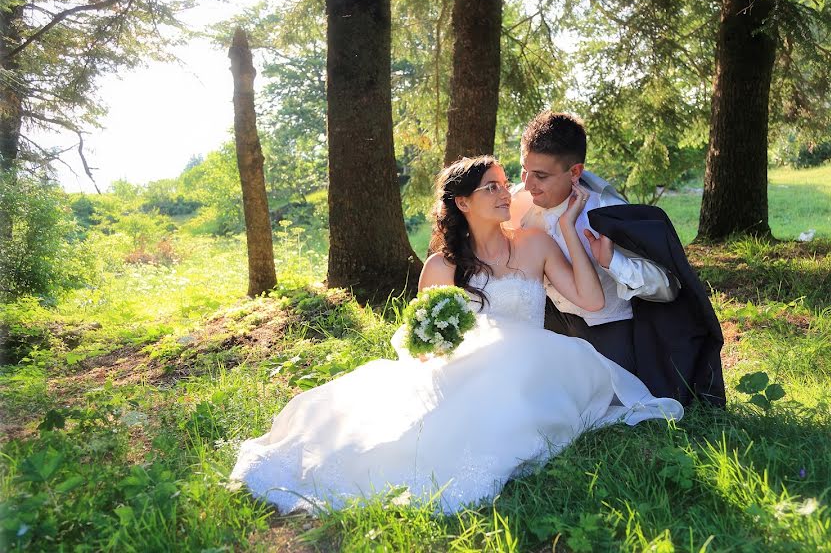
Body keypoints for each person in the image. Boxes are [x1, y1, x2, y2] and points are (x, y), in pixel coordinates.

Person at [230, 156, 683, 515]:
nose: (507, 192)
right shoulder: (440, 267)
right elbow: (418, 342)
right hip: (465, 369)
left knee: (523, 386)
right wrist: (434, 344)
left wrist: (567, 227)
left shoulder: (534, 244)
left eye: (506, 183)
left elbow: (591, 300)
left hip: (529, 361)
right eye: (493, 186)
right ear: (463, 203)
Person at [511, 111, 725, 405]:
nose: (528, 184)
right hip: (551, 324)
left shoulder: (607, 211)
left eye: (541, 176)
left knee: (607, 403)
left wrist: (613, 262)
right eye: (525, 170)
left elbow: (668, 287)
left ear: (575, 172)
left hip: (605, 329)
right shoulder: (519, 202)